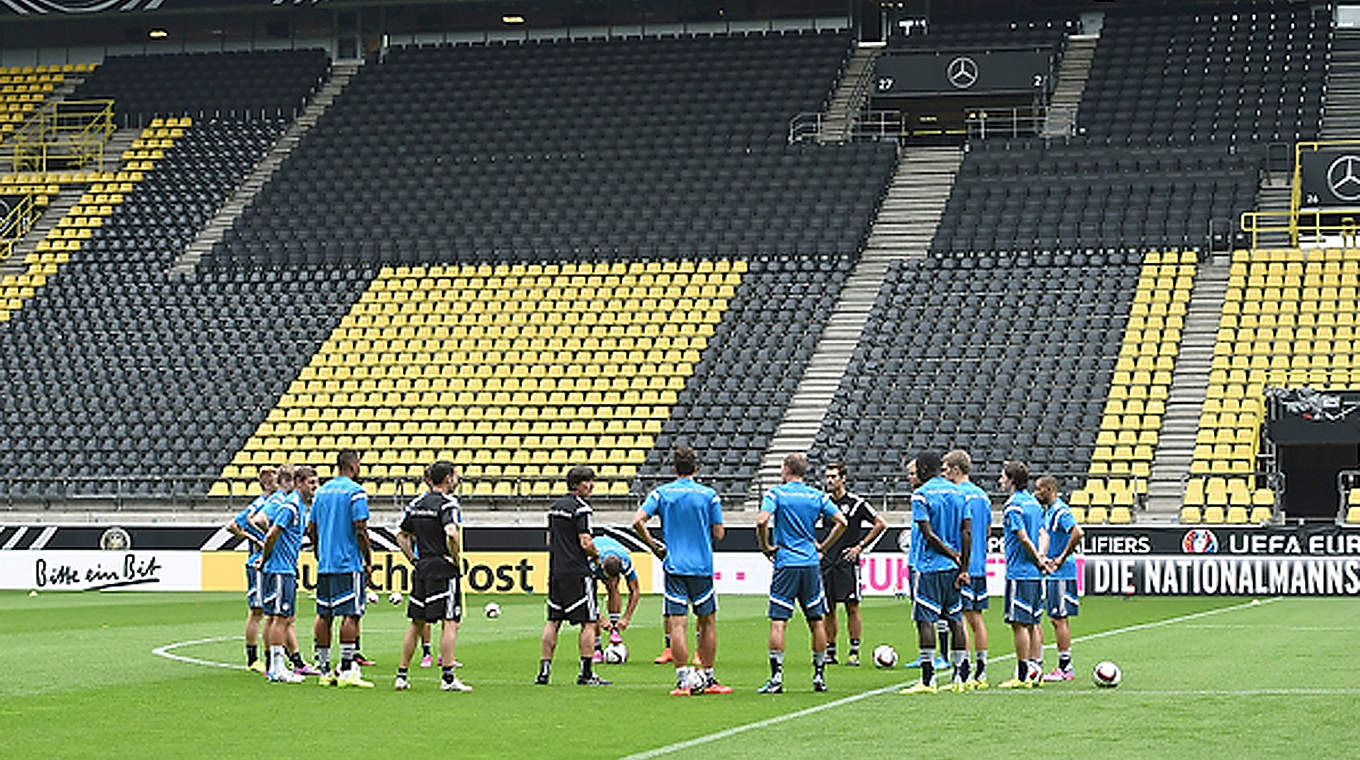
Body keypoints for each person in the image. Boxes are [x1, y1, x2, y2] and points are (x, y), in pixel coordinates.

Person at [633, 446, 728, 696]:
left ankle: (683, 681)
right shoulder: (709, 495)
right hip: (702, 566)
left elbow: (637, 521)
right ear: (696, 469)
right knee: (707, 622)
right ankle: (708, 678)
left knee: (677, 624)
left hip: (674, 565)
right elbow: (719, 533)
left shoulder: (661, 494)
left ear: (674, 469)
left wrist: (654, 545)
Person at [756, 453, 846, 694]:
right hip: (809, 562)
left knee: (779, 621)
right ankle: (818, 676)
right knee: (816, 620)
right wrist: (823, 546)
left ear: (786, 469)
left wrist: (766, 547)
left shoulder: (776, 494)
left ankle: (776, 678)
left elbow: (762, 520)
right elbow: (842, 521)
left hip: (786, 561)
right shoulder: (816, 495)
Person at [394, 460, 471, 692]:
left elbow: (401, 534)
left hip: (422, 567)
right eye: (455, 476)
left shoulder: (417, 503)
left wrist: (413, 559)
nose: (457, 480)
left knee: (417, 622)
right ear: (448, 478)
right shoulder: (448, 503)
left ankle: (402, 675)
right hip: (442, 568)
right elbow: (451, 533)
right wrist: (456, 559)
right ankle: (448, 678)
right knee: (450, 621)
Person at [900, 450, 971, 695]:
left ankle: (928, 680)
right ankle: (960, 677)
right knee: (955, 620)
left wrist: (951, 554)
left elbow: (928, 534)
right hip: (953, 570)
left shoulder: (921, 495)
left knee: (926, 621)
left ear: (923, 469)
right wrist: (963, 567)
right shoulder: (958, 493)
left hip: (928, 566)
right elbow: (966, 532)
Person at [538, 465, 610, 686]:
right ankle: (586, 673)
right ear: (577, 484)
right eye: (587, 481)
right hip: (578, 572)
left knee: (553, 621)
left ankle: (544, 672)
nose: (591, 485)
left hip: (556, 571)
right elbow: (585, 542)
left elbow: (550, 540)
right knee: (588, 621)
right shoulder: (582, 509)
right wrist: (597, 557)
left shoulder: (554, 508)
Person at [307, 449, 374, 688]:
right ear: (354, 465)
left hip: (326, 563)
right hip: (348, 562)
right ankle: (346, 669)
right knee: (351, 614)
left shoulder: (321, 492)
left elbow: (311, 527)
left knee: (324, 615)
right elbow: (360, 528)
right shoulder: (356, 492)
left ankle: (325, 670)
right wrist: (368, 558)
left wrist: (318, 550)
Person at [820, 462, 886, 667]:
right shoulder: (823, 503)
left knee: (852, 607)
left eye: (833, 476)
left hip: (848, 562)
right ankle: (831, 651)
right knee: (828, 608)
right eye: (827, 477)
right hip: (828, 561)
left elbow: (880, 523)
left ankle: (854, 651)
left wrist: (860, 546)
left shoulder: (857, 503)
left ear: (843, 479)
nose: (829, 480)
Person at [259, 465, 317, 684]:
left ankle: (278, 666)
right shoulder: (291, 506)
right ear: (299, 482)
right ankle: (276, 668)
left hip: (286, 568)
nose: (314, 487)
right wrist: (265, 559)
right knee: (280, 618)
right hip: (280, 569)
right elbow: (271, 534)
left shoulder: (298, 506)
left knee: (283, 618)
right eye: (311, 482)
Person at [944, 449, 992, 689]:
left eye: (946, 469)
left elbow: (963, 529)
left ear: (955, 469)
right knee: (977, 619)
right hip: (980, 565)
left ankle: (962, 671)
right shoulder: (983, 496)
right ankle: (981, 673)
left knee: (960, 618)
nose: (943, 474)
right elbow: (988, 530)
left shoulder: (957, 494)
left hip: (962, 564)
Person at [997, 461, 1046, 689]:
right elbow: (1042, 532)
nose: (1000, 480)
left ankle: (1023, 674)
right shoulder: (1034, 504)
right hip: (1035, 573)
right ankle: (1037, 670)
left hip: (1020, 571)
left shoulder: (1013, 505)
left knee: (1019, 624)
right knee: (1035, 621)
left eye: (1003, 477)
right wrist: (1042, 558)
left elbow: (1024, 537)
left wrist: (1036, 558)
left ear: (1012, 480)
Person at [225, 465, 276, 672]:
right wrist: (254, 538)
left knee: (272, 612)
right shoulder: (259, 504)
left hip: (271, 562)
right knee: (258, 611)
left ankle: (274, 655)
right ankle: (253, 659)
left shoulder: (274, 502)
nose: (278, 482)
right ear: (265, 481)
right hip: (257, 563)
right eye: (274, 479)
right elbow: (232, 526)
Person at [1035, 474, 1084, 682]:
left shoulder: (1061, 511)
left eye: (1039, 489)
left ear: (1049, 490)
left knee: (1058, 619)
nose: (1036, 493)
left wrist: (1061, 558)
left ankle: (1065, 667)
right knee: (1056, 618)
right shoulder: (1051, 512)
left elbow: (1078, 532)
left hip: (1062, 572)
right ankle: (1062, 665)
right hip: (1055, 571)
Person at [588, 534, 641, 663]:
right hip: (595, 549)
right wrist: (599, 618)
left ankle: (614, 628)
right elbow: (585, 596)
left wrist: (626, 618)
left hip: (614, 548)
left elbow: (635, 591)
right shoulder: (591, 563)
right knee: (591, 598)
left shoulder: (625, 562)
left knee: (613, 586)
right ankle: (597, 649)